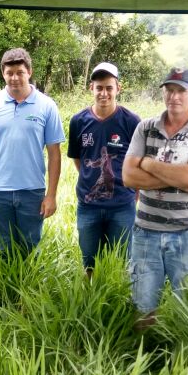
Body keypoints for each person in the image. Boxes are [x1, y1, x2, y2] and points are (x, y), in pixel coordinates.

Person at [121, 67, 188, 331]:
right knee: (143, 305)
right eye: (169, 89)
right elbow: (129, 177)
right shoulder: (145, 128)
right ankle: (144, 358)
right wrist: (180, 175)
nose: (174, 96)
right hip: (146, 231)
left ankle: (187, 363)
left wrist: (148, 163)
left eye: (182, 90)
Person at [0, 48, 64, 258]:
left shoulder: (47, 106)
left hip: (32, 191)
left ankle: (30, 289)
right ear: (3, 73)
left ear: (29, 72)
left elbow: (54, 154)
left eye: (19, 72)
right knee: (5, 246)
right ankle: (8, 289)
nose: (14, 78)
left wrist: (51, 195)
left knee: (30, 246)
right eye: (9, 73)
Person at [67, 62, 141, 278]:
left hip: (122, 205)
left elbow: (138, 162)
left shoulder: (132, 121)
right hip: (88, 205)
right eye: (99, 87)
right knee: (89, 261)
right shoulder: (78, 121)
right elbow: (79, 159)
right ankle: (91, 299)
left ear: (118, 88)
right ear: (91, 88)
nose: (104, 93)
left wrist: (133, 192)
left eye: (109, 87)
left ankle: (118, 301)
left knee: (122, 260)